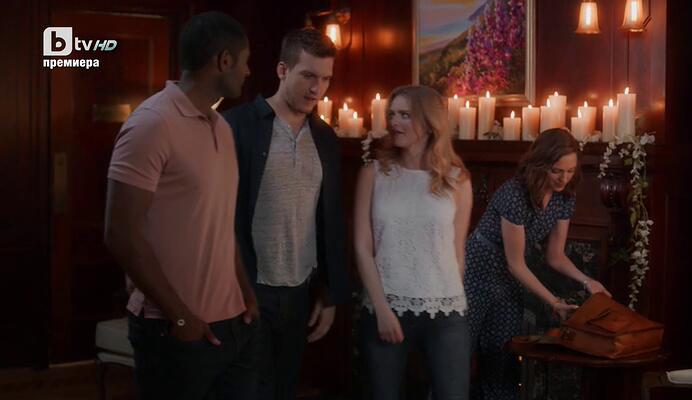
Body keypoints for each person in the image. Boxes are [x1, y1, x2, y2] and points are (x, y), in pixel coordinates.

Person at [103, 11, 259, 400]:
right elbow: (120, 234)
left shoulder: (222, 127)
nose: (248, 71)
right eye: (245, 61)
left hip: (234, 325)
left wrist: (245, 291)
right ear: (224, 60)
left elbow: (219, 224)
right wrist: (181, 317)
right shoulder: (152, 124)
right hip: (174, 330)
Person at [222, 27, 349, 400]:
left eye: (325, 79)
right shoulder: (236, 126)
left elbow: (331, 220)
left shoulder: (324, 137)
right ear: (282, 70)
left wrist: (330, 294)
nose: (317, 88)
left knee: (285, 388)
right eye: (308, 76)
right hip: (247, 286)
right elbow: (218, 214)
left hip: (300, 291)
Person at [464, 128, 612, 400]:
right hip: (475, 274)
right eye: (557, 171)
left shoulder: (565, 196)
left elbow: (555, 255)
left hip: (510, 281)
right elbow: (516, 264)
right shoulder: (514, 193)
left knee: (502, 360)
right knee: (458, 359)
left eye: (570, 171)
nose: (564, 178)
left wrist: (588, 281)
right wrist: (554, 302)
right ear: (540, 164)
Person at [353, 85, 474, 400]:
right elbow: (363, 247)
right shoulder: (373, 174)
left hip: (446, 311)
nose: (394, 122)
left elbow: (457, 251)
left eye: (405, 115)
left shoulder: (457, 179)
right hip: (386, 307)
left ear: (430, 122)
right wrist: (381, 309)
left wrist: (453, 297)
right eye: (392, 114)